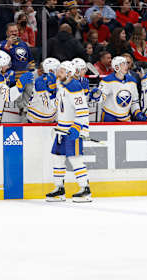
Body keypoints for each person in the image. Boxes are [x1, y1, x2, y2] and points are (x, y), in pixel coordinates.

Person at [46, 61, 91, 203]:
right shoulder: (61, 85)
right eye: (59, 70)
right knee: (57, 157)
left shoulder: (75, 87)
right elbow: (59, 107)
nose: (58, 73)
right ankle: (59, 189)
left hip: (72, 130)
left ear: (69, 73)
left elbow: (83, 111)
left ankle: (85, 189)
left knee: (75, 159)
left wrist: (77, 128)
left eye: (61, 71)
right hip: (61, 130)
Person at [92, 56, 145, 122]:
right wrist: (96, 95)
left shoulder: (132, 81)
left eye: (126, 64)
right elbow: (101, 99)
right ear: (116, 67)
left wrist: (137, 113)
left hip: (125, 118)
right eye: (123, 64)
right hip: (109, 117)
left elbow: (134, 102)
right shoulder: (107, 81)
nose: (126, 66)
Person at [0, 23, 36, 112]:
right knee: (20, 104)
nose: (14, 33)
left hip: (26, 77)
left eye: (16, 31)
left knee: (28, 104)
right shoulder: (2, 44)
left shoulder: (23, 44)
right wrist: (8, 45)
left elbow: (31, 59)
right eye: (11, 31)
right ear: (7, 33)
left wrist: (31, 70)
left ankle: (27, 119)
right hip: (13, 79)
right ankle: (24, 117)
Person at [26, 57, 59, 123]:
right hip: (36, 118)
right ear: (51, 71)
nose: (59, 72)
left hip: (49, 117)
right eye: (57, 69)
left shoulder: (57, 80)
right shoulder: (40, 81)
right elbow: (45, 105)